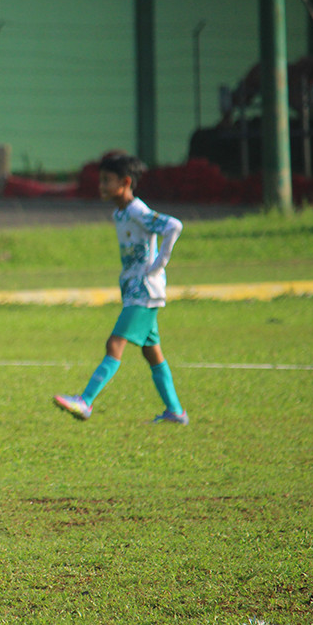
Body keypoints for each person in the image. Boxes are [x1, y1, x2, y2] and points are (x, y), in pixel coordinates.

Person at [53, 152, 189, 425]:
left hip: (144, 291)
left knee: (115, 343)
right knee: (152, 352)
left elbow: (173, 225)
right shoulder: (120, 212)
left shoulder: (137, 210)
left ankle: (85, 401)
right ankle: (175, 411)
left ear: (125, 182)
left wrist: (159, 263)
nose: (101, 185)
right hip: (135, 290)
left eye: (107, 180)